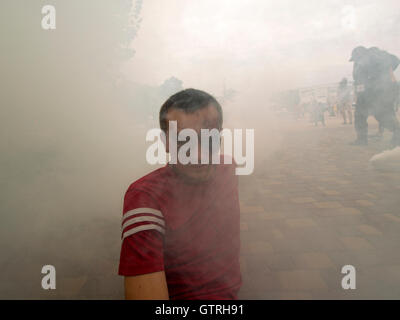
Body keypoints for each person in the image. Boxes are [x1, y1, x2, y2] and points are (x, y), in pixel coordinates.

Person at [118, 88, 242, 300]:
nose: (199, 155)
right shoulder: (146, 198)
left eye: (208, 139)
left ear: (220, 138)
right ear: (165, 143)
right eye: (184, 141)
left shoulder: (227, 166)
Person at [350, 46, 400, 146]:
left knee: (369, 115)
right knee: (383, 114)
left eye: (355, 59)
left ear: (358, 55)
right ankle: (396, 136)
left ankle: (362, 140)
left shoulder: (367, 59)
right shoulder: (377, 57)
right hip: (384, 90)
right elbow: (395, 60)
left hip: (373, 92)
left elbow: (359, 80)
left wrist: (375, 78)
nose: (354, 61)